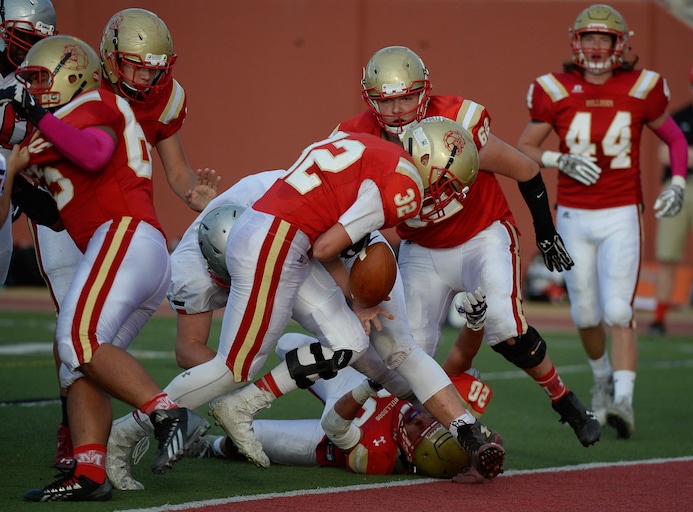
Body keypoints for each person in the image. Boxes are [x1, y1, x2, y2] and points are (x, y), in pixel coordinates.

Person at [107, 117, 506, 491]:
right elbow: (327, 244)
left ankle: (243, 405)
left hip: (287, 238)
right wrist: (358, 297)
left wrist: (358, 292)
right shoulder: (404, 186)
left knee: (351, 341)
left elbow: (325, 231)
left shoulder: (371, 145)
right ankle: (127, 432)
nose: (447, 194)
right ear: (431, 166)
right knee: (233, 368)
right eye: (449, 183)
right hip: (277, 243)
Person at [334, 45, 600, 448]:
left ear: (424, 91)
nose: (399, 109)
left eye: (407, 96)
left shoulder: (457, 122)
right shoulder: (356, 139)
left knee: (506, 327)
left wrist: (546, 233)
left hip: (482, 233)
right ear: (371, 101)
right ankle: (408, 434)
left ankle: (564, 400)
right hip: (421, 249)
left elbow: (525, 169)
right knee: (405, 354)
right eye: (388, 100)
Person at [1, 35, 210, 502]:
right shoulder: (57, 127)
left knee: (76, 339)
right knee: (78, 366)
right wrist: (14, 180)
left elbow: (94, 152)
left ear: (69, 72)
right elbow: (55, 213)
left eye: (38, 78)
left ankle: (168, 414)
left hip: (124, 236)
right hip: (130, 248)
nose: (32, 89)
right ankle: (90, 471)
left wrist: (34, 120)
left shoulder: (93, 102)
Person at [516, 4, 688, 439]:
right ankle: (602, 377)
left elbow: (673, 136)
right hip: (573, 214)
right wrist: (561, 158)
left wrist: (679, 181)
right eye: (589, 38)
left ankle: (624, 401)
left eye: (604, 39)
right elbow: (526, 147)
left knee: (617, 308)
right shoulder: (554, 89)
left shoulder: (642, 87)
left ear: (619, 43)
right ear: (576, 42)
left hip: (620, 212)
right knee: (587, 311)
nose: (595, 46)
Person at [187, 332, 496, 483]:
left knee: (251, 438)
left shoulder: (378, 457)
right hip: (356, 387)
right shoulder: (435, 422)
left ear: (415, 453)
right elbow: (460, 364)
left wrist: (371, 386)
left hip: (327, 435)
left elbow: (334, 426)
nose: (420, 417)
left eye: (418, 430)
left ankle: (207, 447)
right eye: (432, 421)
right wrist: (484, 446)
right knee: (289, 343)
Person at [0, 0, 56, 286]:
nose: (29, 50)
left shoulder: (40, 79)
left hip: (10, 187)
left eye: (37, 42)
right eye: (22, 37)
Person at [649, 61, 693, 336]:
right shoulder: (679, 116)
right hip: (677, 188)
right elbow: (662, 153)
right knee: (667, 255)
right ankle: (659, 318)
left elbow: (677, 151)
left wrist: (687, 154)